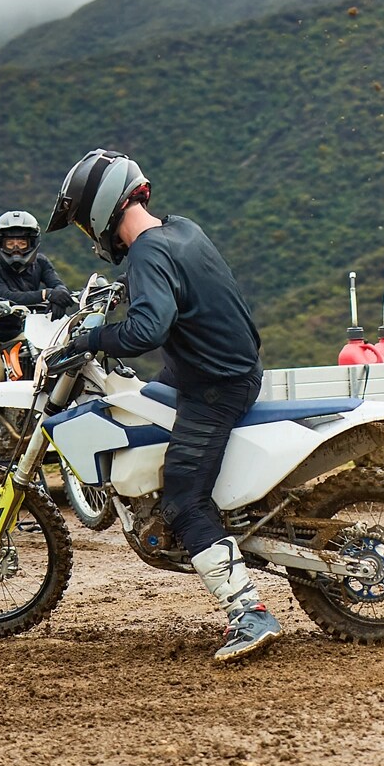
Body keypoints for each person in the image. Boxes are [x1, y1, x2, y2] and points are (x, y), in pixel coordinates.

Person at [46, 149, 279, 663]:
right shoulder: (180, 230)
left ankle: (250, 612)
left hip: (215, 385)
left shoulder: (148, 252)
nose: (89, 236)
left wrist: (91, 339)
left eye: (85, 223)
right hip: (221, 368)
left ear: (102, 211)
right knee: (143, 401)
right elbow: (173, 293)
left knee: (183, 497)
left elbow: (149, 328)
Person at [0, 211, 75, 385]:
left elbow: (57, 284)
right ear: (1, 244)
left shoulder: (41, 263)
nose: (15, 248)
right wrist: (47, 294)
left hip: (16, 333)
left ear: (32, 243)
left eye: (21, 243)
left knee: (45, 364)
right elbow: (6, 296)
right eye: (10, 243)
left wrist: (59, 296)